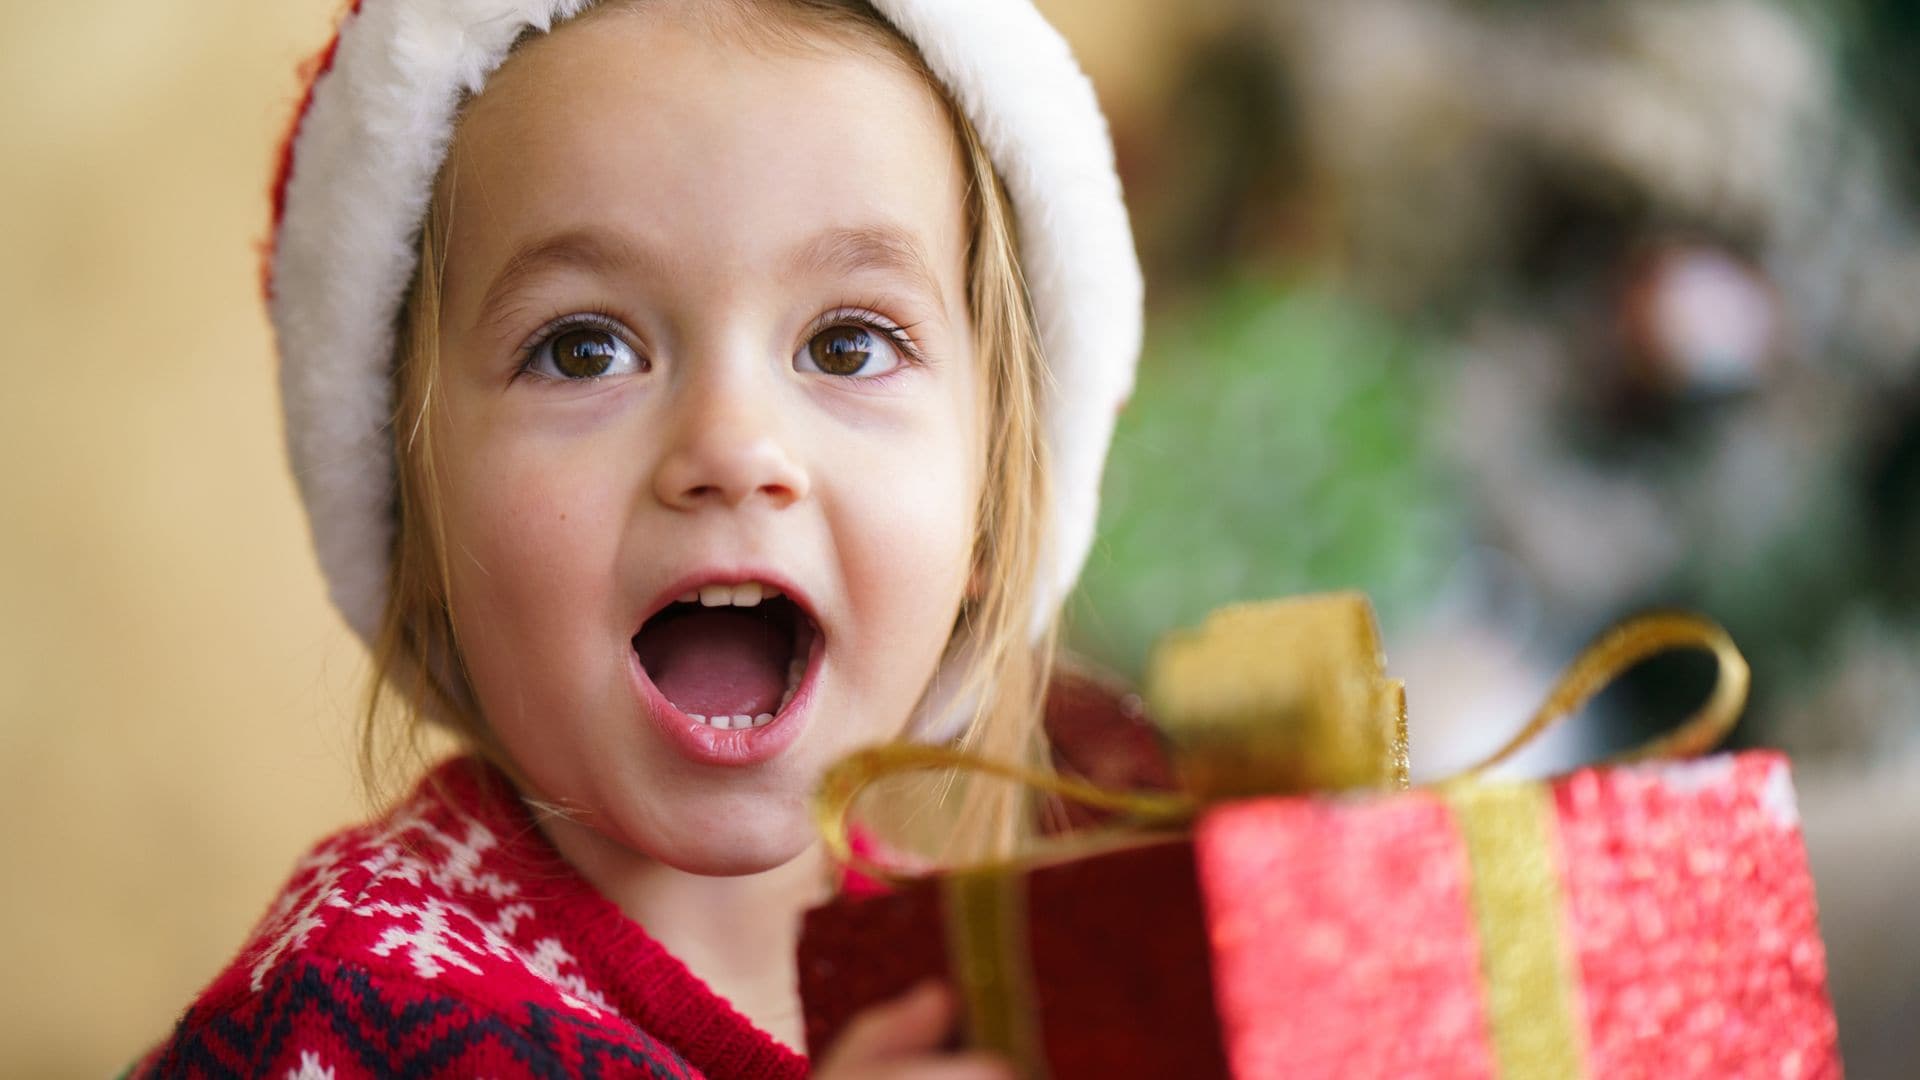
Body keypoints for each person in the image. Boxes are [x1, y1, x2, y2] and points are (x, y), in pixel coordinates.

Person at [131, 0, 1141, 1075]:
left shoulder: (996, 988)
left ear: (986, 506)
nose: (733, 446)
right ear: (417, 517)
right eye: (584, 351)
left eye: (846, 346)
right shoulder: (343, 1006)